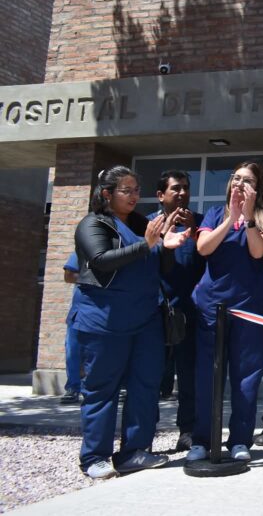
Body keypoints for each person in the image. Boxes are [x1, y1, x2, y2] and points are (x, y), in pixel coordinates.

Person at [73, 166, 188, 479]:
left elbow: (160, 268)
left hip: (145, 322)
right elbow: (101, 260)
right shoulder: (93, 224)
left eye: (137, 189)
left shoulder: (143, 225)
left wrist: (167, 247)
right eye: (127, 190)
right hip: (104, 322)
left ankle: (135, 452)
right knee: (101, 390)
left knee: (145, 387)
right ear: (107, 194)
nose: (134, 195)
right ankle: (95, 457)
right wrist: (148, 244)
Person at [187, 161, 263, 464]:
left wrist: (249, 217)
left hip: (250, 305)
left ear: (259, 187)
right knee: (207, 374)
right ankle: (202, 438)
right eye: (236, 179)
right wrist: (231, 219)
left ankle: (240, 439)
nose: (239, 184)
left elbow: (257, 251)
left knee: (247, 375)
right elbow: (203, 248)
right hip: (212, 305)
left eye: (247, 180)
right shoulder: (215, 213)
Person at [148, 170, 205, 452]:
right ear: (161, 195)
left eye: (185, 188)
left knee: (188, 376)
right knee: (150, 377)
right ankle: (144, 435)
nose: (182, 193)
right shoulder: (147, 225)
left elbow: (208, 262)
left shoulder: (201, 223)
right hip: (155, 313)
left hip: (189, 312)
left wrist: (194, 231)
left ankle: (188, 431)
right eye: (175, 189)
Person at [60, 253, 83, 406]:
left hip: (106, 312)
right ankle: (73, 388)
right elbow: (68, 276)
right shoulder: (81, 252)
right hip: (79, 312)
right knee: (73, 351)